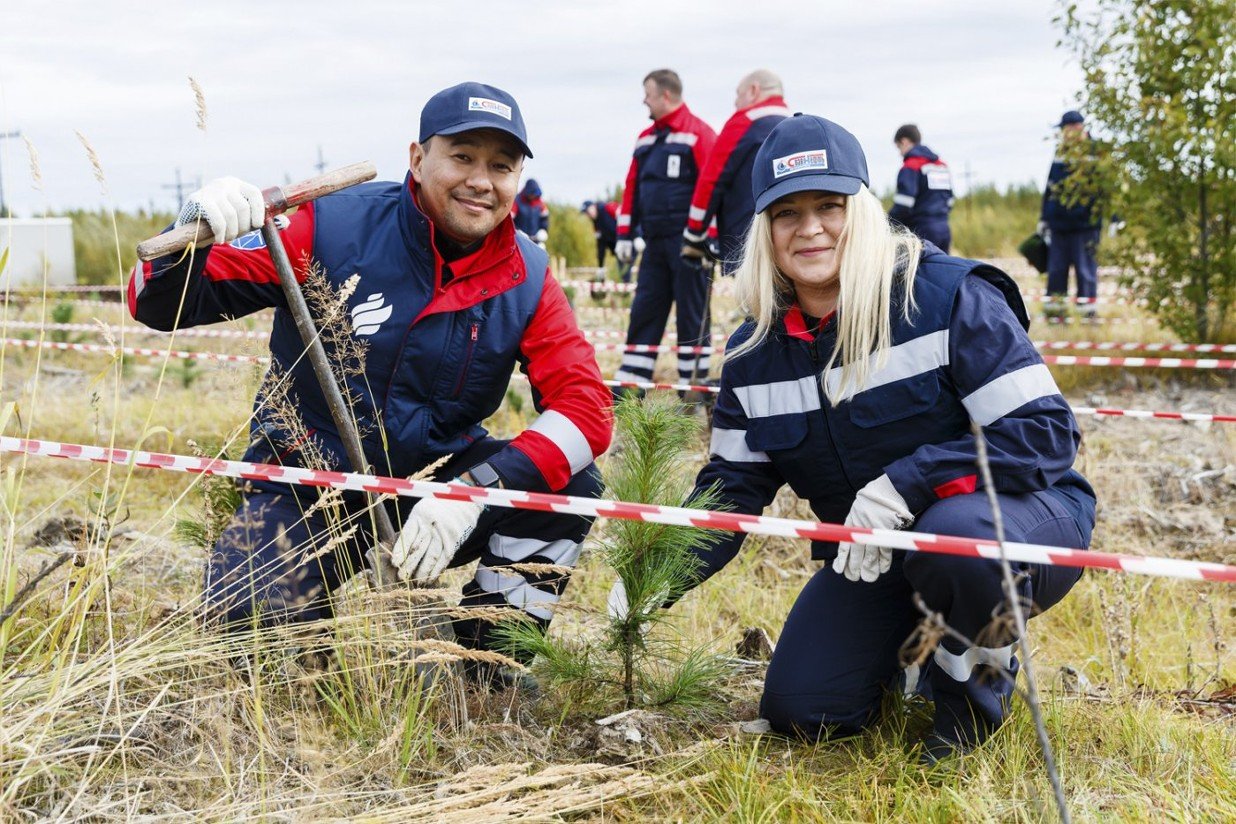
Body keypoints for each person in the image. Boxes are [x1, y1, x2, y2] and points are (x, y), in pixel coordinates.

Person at [614, 114, 1096, 762]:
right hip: (880, 552)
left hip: (1020, 521)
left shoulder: (946, 297)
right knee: (803, 709)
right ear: (764, 231)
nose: (809, 228)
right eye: (787, 212)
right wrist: (652, 575)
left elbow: (1043, 434)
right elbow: (731, 491)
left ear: (862, 210)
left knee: (959, 546)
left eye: (828, 205)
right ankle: (915, 648)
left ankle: (968, 712)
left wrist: (907, 483)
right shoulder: (754, 357)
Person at [128, 82, 613, 686]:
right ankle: (307, 631)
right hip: (311, 487)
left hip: (436, 494)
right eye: (462, 157)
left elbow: (588, 410)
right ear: (417, 157)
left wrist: (474, 492)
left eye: (501, 166)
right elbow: (157, 304)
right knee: (253, 640)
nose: (481, 181)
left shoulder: (528, 275)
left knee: (570, 479)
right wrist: (192, 234)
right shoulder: (327, 228)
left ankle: (486, 663)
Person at [613, 69, 717, 390]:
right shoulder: (645, 139)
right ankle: (632, 385)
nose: (644, 99)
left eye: (648, 93)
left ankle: (694, 387)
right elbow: (632, 187)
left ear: (666, 95)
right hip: (654, 245)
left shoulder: (699, 134)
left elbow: (712, 188)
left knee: (692, 314)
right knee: (644, 309)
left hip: (689, 244)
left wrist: (709, 240)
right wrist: (624, 235)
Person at [682, 69, 790, 275]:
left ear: (753, 90)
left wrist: (694, 234)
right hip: (786, 236)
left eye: (737, 95)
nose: (735, 103)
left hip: (746, 239)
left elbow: (711, 180)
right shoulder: (794, 124)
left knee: (753, 304)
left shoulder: (744, 122)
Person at [1039, 110, 1102, 314]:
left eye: (1065, 129)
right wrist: (1044, 218)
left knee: (1086, 273)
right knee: (1056, 272)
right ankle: (1056, 316)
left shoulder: (1095, 152)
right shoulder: (1061, 152)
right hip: (1059, 227)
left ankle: (1087, 317)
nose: (1063, 133)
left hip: (1086, 226)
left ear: (1076, 127)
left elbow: (1107, 189)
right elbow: (1050, 188)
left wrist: (1117, 218)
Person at [888, 124, 954, 252]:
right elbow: (950, 200)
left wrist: (887, 224)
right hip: (944, 229)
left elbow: (903, 205)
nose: (900, 153)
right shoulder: (941, 166)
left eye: (899, 147)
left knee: (921, 271)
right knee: (941, 269)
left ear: (905, 141)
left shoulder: (911, 166)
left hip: (923, 231)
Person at [582, 198, 629, 279]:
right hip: (618, 250)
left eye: (587, 211)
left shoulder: (608, 207)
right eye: (586, 213)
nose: (587, 214)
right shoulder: (596, 225)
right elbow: (601, 246)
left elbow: (625, 217)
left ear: (593, 206)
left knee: (627, 270)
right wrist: (601, 266)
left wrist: (636, 236)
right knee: (623, 272)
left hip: (628, 242)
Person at [513, 178, 550, 247]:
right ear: (528, 192)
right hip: (519, 242)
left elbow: (545, 219)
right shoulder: (517, 201)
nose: (534, 196)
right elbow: (510, 221)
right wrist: (517, 232)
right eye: (532, 194)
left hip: (536, 241)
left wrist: (543, 230)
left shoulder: (540, 203)